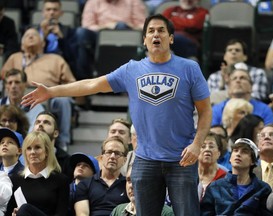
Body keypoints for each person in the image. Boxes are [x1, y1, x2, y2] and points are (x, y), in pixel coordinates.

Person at [22, 14, 212, 215]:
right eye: (151, 31)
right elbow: (91, 84)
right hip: (145, 160)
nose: (156, 34)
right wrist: (51, 91)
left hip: (181, 159)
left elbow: (205, 111)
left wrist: (197, 144)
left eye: (161, 30)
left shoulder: (189, 68)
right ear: (144, 40)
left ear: (171, 38)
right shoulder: (132, 69)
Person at [1, 27, 76, 151]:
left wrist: (53, 92)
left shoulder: (55, 59)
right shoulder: (15, 57)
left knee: (64, 101)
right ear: (21, 44)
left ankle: (63, 142)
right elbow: (3, 77)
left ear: (43, 43)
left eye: (34, 35)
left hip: (49, 97)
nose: (30, 37)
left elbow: (71, 83)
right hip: (19, 97)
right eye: (27, 35)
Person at [75, 0, 147, 80]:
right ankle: (84, 77)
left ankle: (122, 76)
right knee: (81, 33)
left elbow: (142, 25)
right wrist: (106, 27)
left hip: (126, 34)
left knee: (121, 26)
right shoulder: (93, 2)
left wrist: (128, 26)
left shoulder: (133, 1)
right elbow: (87, 25)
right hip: (98, 34)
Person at [200, 138, 273, 215]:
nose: (238, 154)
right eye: (235, 151)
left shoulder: (263, 189)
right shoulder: (214, 187)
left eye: (244, 152)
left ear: (252, 161)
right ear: (230, 158)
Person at [6, 131, 70, 216]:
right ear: (25, 152)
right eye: (29, 148)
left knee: (25, 209)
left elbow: (62, 213)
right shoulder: (14, 179)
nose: (32, 152)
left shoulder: (61, 180)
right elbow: (9, 212)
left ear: (46, 151)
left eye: (37, 147)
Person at [74, 136, 129, 215]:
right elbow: (82, 214)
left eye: (117, 153)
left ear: (124, 160)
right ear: (101, 157)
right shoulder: (85, 184)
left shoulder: (128, 185)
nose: (112, 157)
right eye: (109, 152)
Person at [111, 165, 175, 216]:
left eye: (137, 181)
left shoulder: (166, 213)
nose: (131, 186)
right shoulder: (118, 211)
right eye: (128, 180)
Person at [38, 0, 77, 75]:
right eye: (48, 9)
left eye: (55, 10)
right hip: (39, 65)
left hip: (60, 65)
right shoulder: (34, 31)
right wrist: (44, 36)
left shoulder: (68, 31)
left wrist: (61, 38)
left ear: (61, 13)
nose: (51, 13)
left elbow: (72, 57)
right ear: (43, 12)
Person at [32, 111, 71, 177]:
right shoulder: (24, 157)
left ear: (55, 133)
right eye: (37, 122)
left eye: (46, 122)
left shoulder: (67, 161)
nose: (40, 125)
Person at [198, 132, 226, 200]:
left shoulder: (225, 177)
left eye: (211, 146)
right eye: (203, 146)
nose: (207, 149)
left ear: (219, 153)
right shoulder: (189, 175)